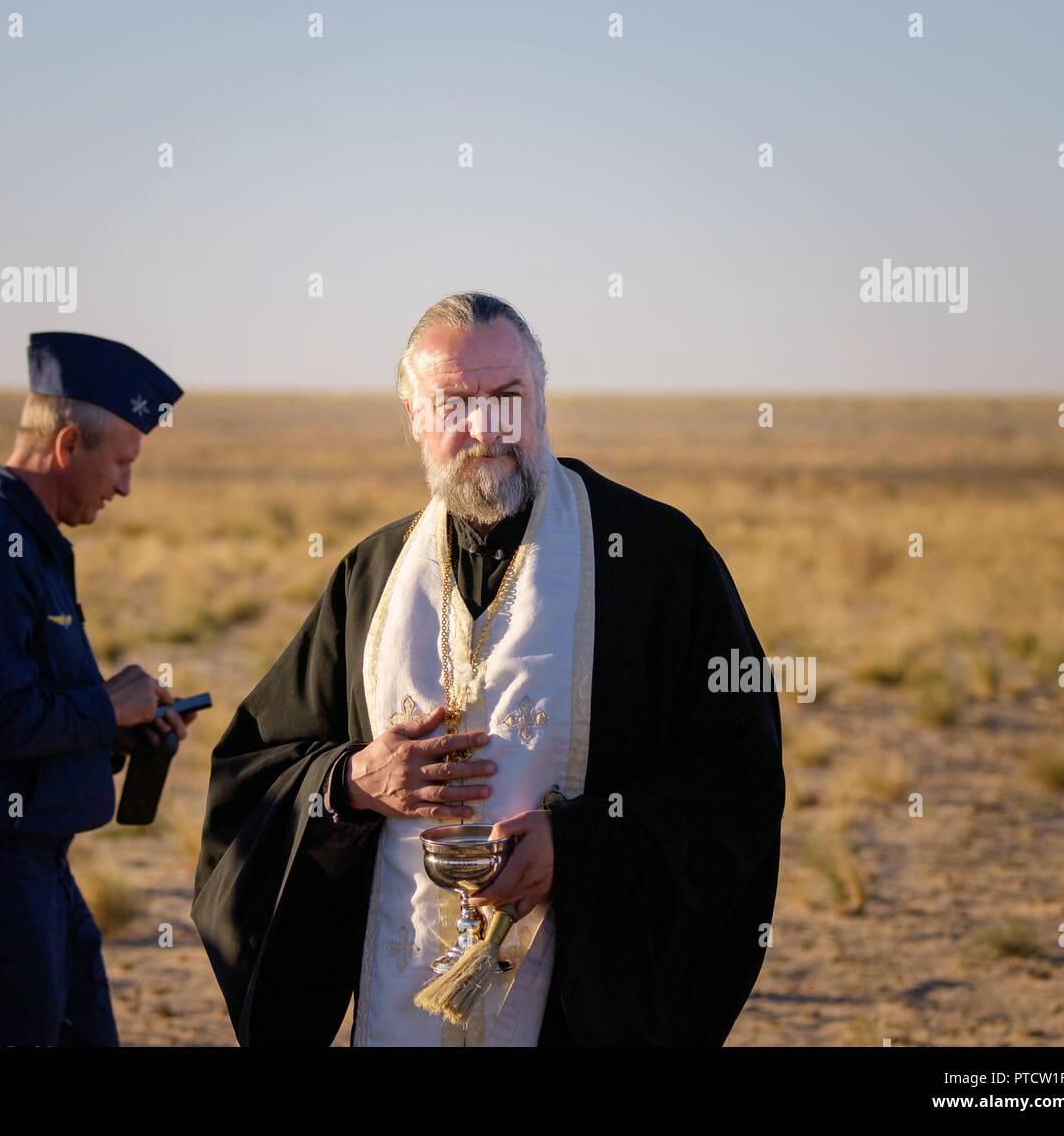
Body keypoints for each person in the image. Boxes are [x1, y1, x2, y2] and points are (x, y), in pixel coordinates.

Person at [193, 293, 785, 1047]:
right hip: (401, 998)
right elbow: (255, 770)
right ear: (413, 418)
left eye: (507, 398)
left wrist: (580, 850)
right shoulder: (370, 578)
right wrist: (349, 782)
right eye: (454, 405)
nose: (485, 430)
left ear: (541, 400)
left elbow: (738, 779)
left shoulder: (657, 560)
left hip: (577, 1009)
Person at [0, 331, 197, 1046]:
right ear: (68, 446)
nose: (124, 485)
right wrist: (103, 705)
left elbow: (14, 708)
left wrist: (117, 731)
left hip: (33, 862)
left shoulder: (27, 542)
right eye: (121, 462)